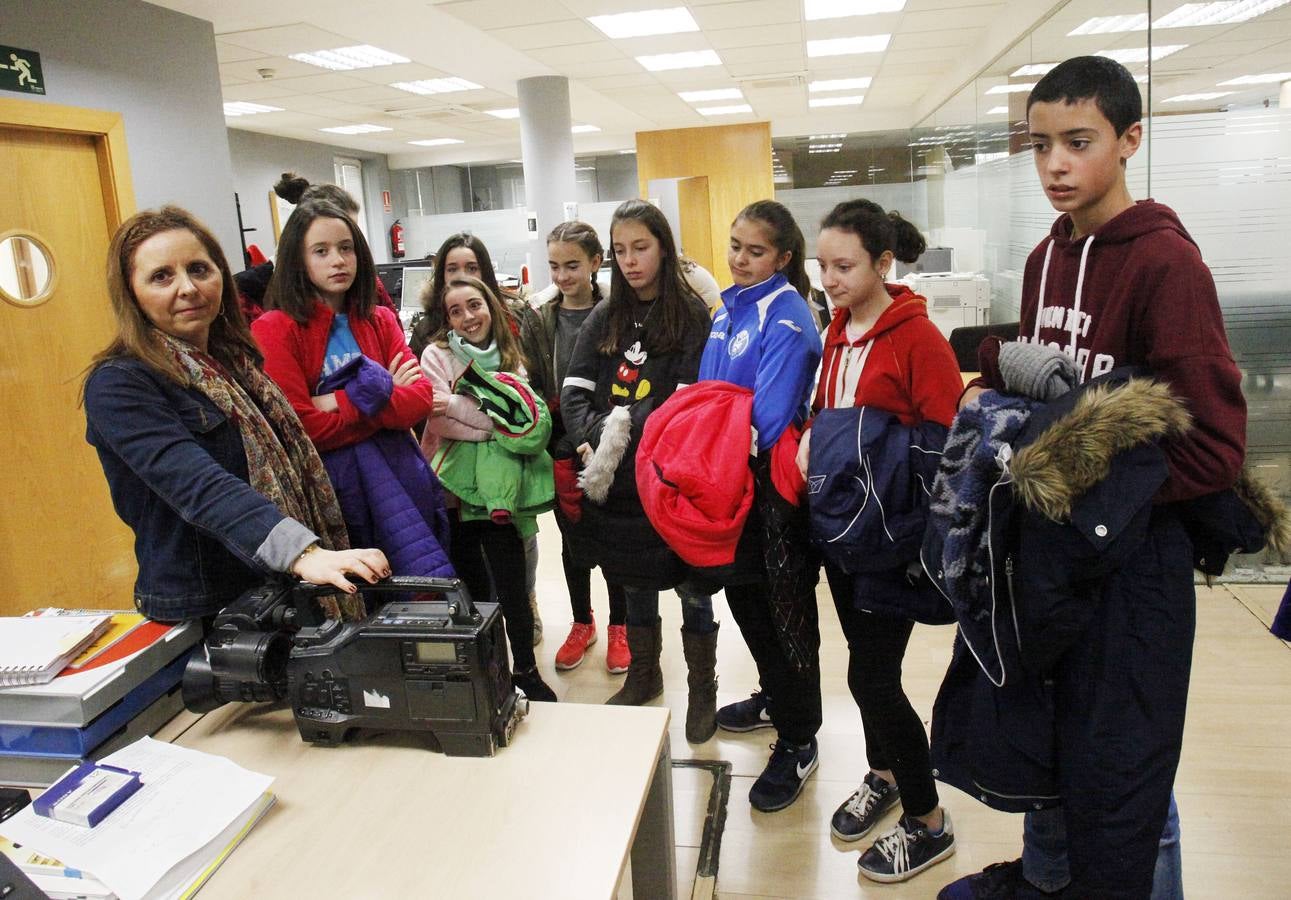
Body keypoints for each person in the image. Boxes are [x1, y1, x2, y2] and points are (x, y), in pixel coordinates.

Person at [939, 56, 1246, 900]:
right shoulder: (1046, 256)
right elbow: (1053, 416)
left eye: (1077, 143)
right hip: (1059, 562)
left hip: (1133, 568)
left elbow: (1213, 447)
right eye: (1039, 146)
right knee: (1058, 748)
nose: (1054, 167)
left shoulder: (1163, 265)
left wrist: (1090, 477)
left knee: (1127, 781)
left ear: (1129, 140)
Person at [83, 206, 390, 624]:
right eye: (161, 276)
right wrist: (301, 551)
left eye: (198, 269)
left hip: (280, 594)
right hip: (212, 610)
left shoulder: (238, 363)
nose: (188, 288)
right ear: (131, 294)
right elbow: (199, 485)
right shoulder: (120, 384)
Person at [802, 199, 963, 881]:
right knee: (865, 667)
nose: (829, 278)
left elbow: (949, 446)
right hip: (842, 531)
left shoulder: (916, 338)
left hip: (889, 538)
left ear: (882, 263)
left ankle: (928, 820)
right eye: (822, 265)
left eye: (843, 266)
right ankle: (885, 771)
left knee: (870, 675)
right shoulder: (837, 328)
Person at [559, 199, 714, 714]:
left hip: (670, 478)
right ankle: (645, 677)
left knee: (693, 590)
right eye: (620, 250)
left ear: (664, 249)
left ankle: (702, 692)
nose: (629, 260)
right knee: (634, 583)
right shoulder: (606, 315)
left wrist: (620, 434)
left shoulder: (691, 315)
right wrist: (592, 440)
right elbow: (575, 390)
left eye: (640, 248)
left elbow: (685, 403)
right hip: (619, 487)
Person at [693, 200, 825, 801]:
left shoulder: (789, 316)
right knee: (748, 603)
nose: (740, 259)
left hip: (768, 491)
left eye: (756, 251)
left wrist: (709, 441)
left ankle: (801, 738)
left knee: (783, 615)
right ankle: (777, 697)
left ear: (783, 258)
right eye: (736, 245)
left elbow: (767, 418)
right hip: (727, 482)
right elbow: (705, 394)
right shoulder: (727, 308)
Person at [252, 200, 452, 581]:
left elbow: (419, 402)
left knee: (416, 600)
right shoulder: (274, 329)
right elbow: (302, 430)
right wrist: (382, 395)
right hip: (337, 495)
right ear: (298, 259)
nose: (338, 260)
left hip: (403, 481)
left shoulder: (377, 318)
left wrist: (333, 401)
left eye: (346, 248)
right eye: (321, 251)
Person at [419, 276, 558, 702]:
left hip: (503, 493)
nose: (467, 317)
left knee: (513, 583)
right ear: (446, 321)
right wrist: (490, 423)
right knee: (473, 587)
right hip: (454, 492)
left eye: (474, 305)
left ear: (490, 306)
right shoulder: (436, 355)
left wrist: (466, 410)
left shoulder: (510, 354)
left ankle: (527, 670)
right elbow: (437, 416)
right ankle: (490, 670)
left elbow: (521, 419)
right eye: (455, 312)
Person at [534, 221, 631, 675]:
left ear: (596, 263)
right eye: (554, 266)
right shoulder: (542, 318)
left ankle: (620, 625)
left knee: (612, 538)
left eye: (572, 265)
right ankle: (581, 620)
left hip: (605, 437)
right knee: (571, 540)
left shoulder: (618, 312)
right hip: (560, 441)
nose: (562, 276)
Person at [235, 172, 397, 323]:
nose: (338, 259)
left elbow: (395, 341)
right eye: (322, 250)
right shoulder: (247, 292)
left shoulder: (367, 284)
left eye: (347, 244)